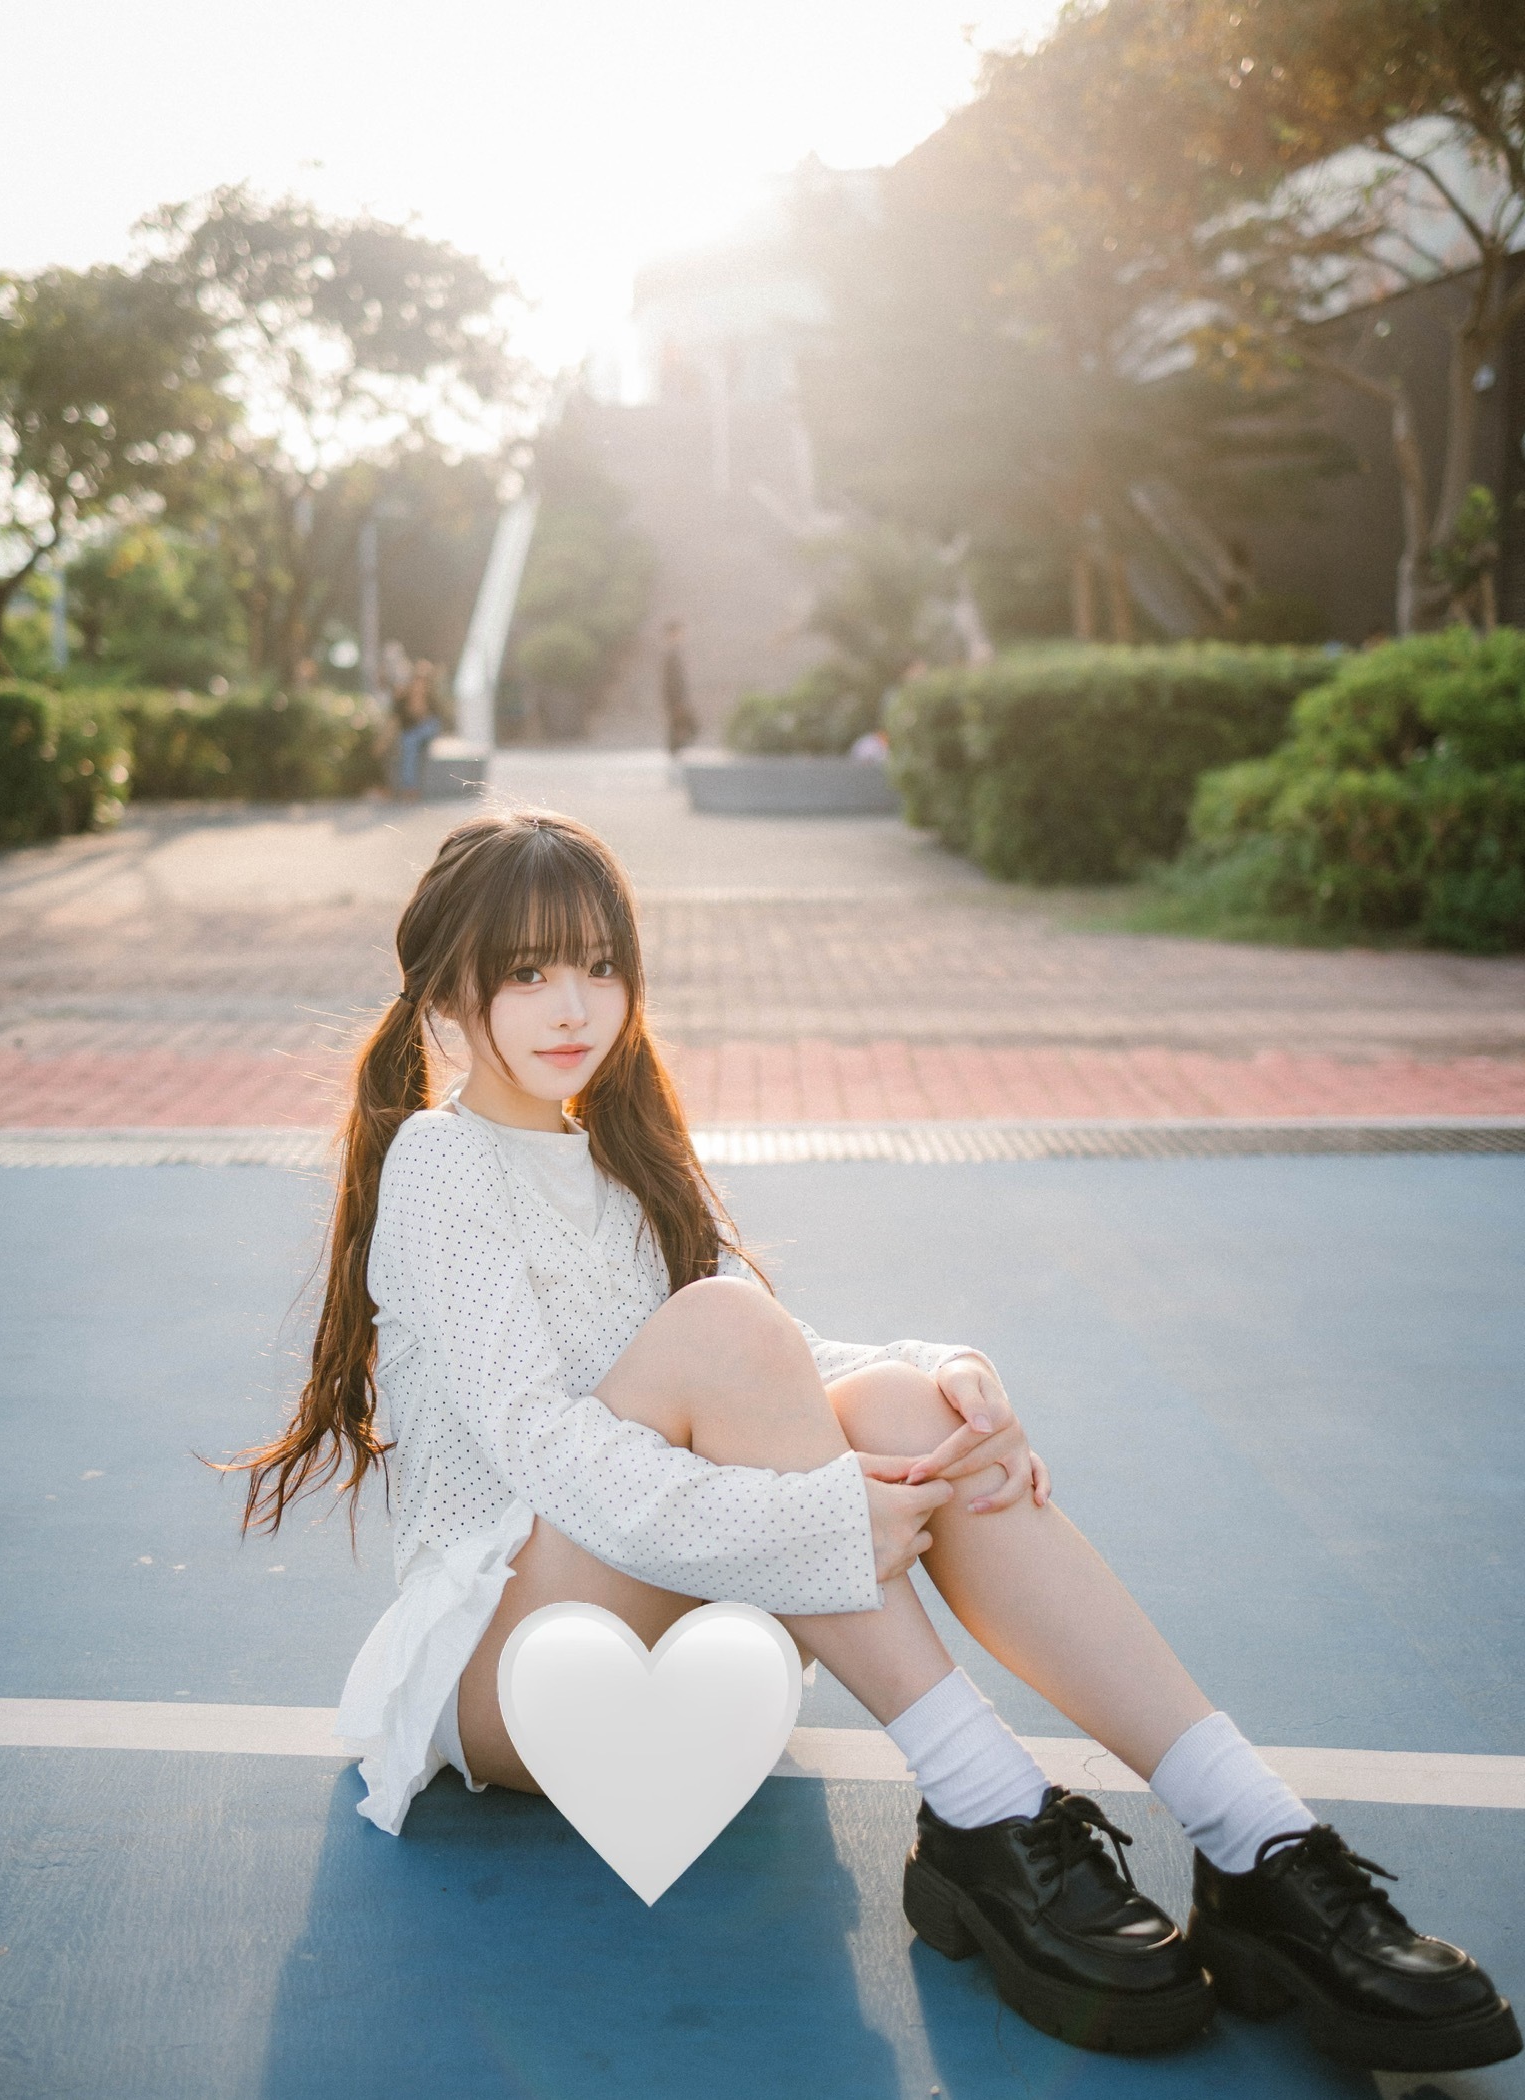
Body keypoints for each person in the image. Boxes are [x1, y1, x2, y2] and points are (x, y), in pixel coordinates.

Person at [236, 809, 1519, 2074]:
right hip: (507, 1656)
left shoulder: (622, 1156)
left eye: (600, 964)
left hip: (645, 1595)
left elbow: (779, 1365)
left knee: (905, 1407)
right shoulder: (441, 1164)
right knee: (728, 1329)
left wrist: (941, 1372)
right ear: (445, 992)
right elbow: (548, 1447)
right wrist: (811, 1517)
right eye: (527, 972)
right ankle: (986, 1804)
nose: (574, 1005)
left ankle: (1256, 1841)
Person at [392, 659, 442, 800]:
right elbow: (400, 718)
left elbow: (432, 717)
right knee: (408, 742)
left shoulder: (430, 695)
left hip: (429, 727)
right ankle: (410, 788)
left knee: (410, 739)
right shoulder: (404, 696)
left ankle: (410, 787)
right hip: (413, 731)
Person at [660, 619, 697, 754]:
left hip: (676, 698)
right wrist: (677, 701)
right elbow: (671, 682)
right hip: (675, 698)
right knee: (681, 725)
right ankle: (675, 752)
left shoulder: (674, 653)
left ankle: (675, 752)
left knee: (677, 727)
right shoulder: (671, 655)